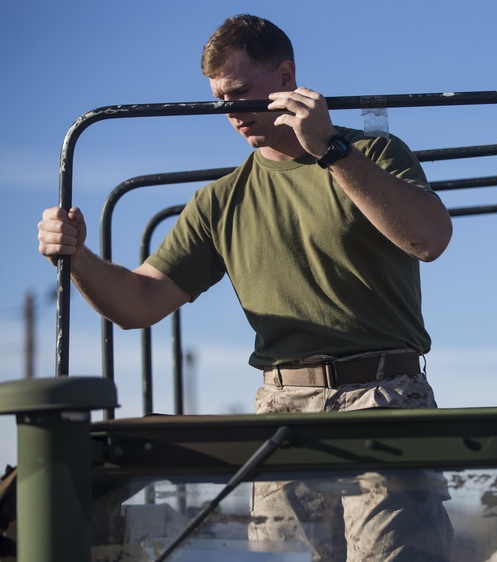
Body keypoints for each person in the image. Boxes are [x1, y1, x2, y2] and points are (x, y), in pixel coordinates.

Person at [38, 14, 453, 562]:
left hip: (384, 398)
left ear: (287, 76)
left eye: (239, 94)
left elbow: (428, 238)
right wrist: (76, 257)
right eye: (218, 100)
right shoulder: (220, 202)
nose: (229, 112)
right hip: (283, 410)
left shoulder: (372, 154)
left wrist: (330, 150)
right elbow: (139, 304)